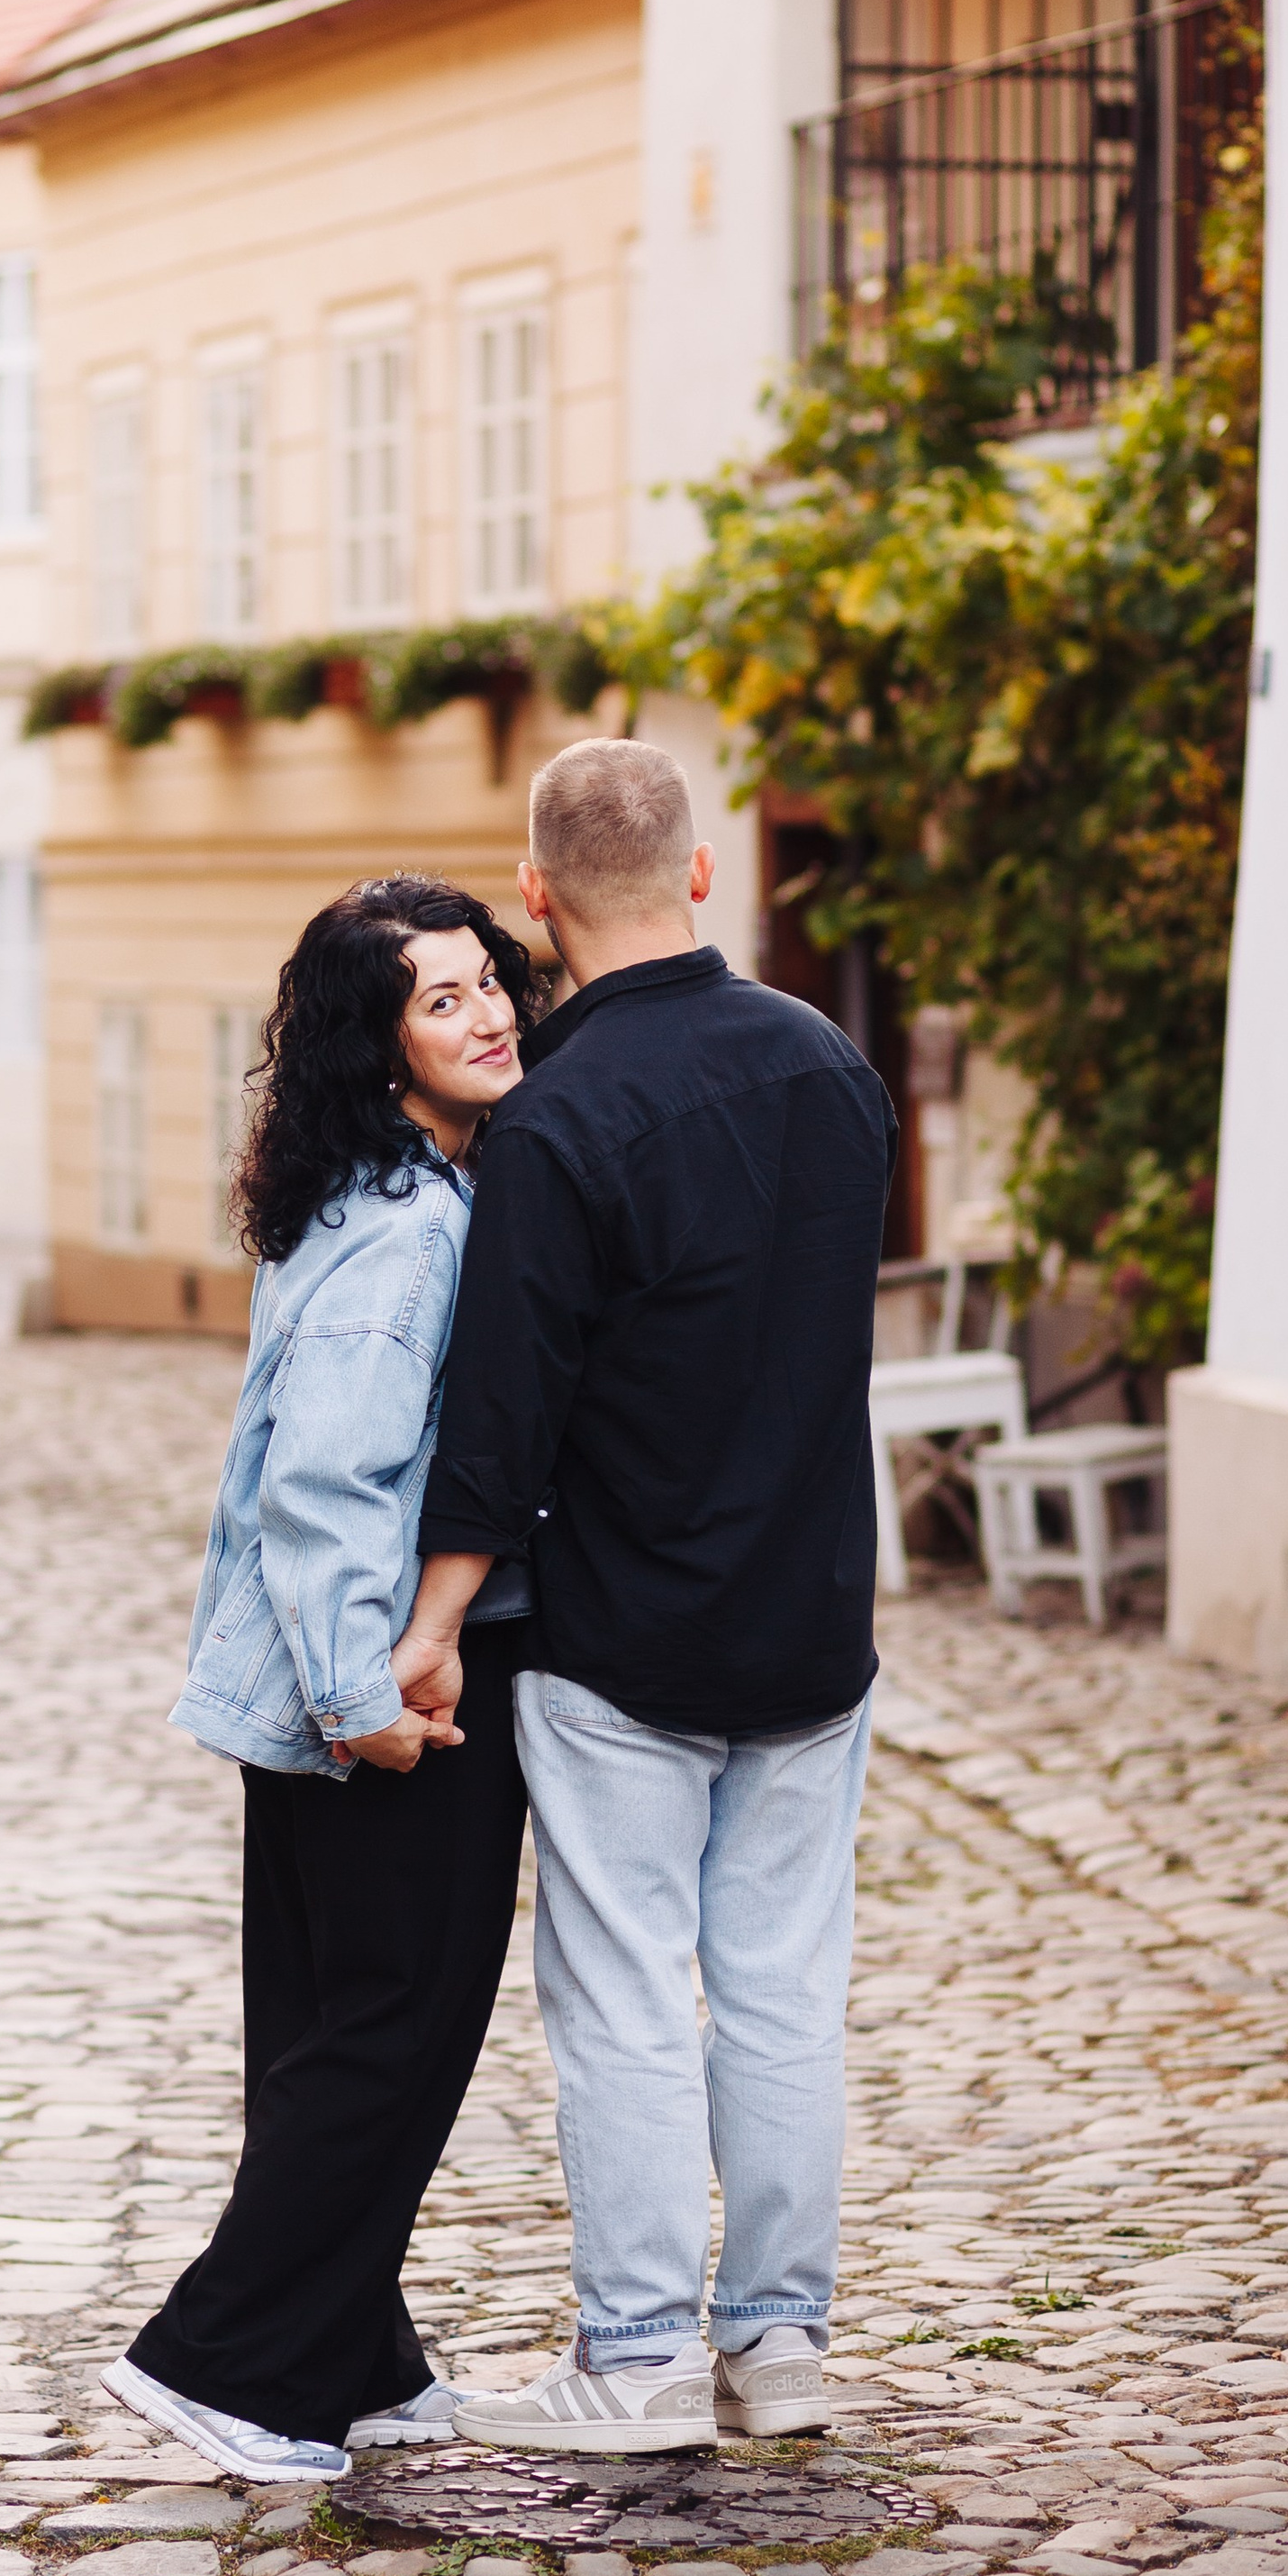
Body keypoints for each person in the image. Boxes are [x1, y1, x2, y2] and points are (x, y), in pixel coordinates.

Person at [390, 739, 895, 2454]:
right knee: (780, 1986)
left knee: (621, 1993)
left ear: (536, 899)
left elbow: (501, 1413)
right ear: (700, 872)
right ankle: (780, 2345)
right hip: (814, 1617)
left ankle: (635, 2360)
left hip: (626, 1634)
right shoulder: (833, 1069)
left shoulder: (552, 1124)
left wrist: (436, 1622)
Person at [100, 873, 538, 2484]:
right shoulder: (412, 1236)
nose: (487, 1011)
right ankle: (230, 2364)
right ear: (381, 1044)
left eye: (490, 979)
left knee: (323, 2023)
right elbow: (331, 1485)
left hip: (315, 1691)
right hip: (381, 1697)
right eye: (442, 999)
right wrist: (370, 1693)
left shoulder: (377, 1189)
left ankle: (352, 2351)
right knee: (395, 2029)